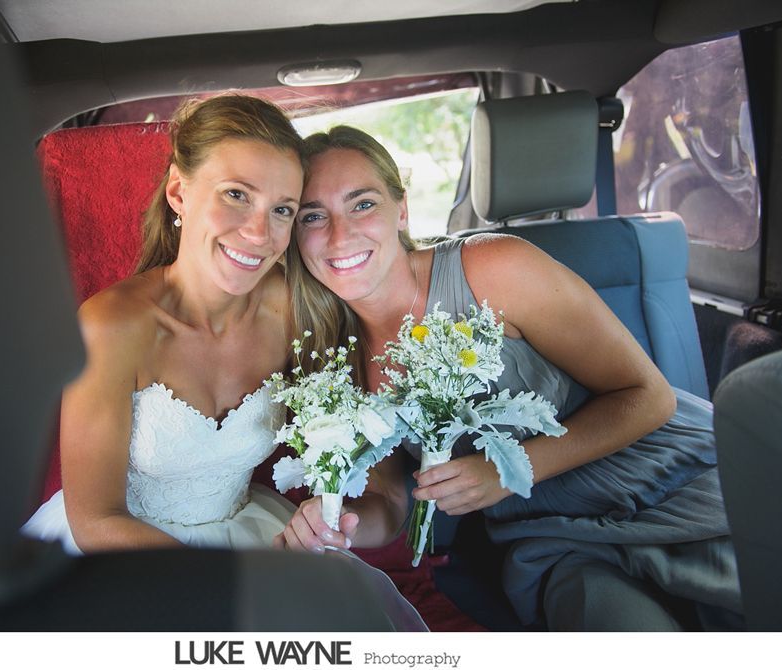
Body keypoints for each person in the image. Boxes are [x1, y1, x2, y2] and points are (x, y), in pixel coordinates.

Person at [278, 125, 743, 631]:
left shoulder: (492, 268)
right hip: (556, 538)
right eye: (314, 216)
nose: (340, 235)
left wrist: (504, 471)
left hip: (672, 482)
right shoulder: (333, 354)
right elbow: (389, 500)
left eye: (362, 204)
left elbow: (649, 397)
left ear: (402, 209)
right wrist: (336, 524)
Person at [22, 94, 305, 553]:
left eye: (282, 210)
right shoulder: (111, 326)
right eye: (236, 194)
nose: (259, 234)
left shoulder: (293, 310)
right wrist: (221, 588)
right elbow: (95, 521)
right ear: (179, 192)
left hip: (253, 536)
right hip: (121, 554)